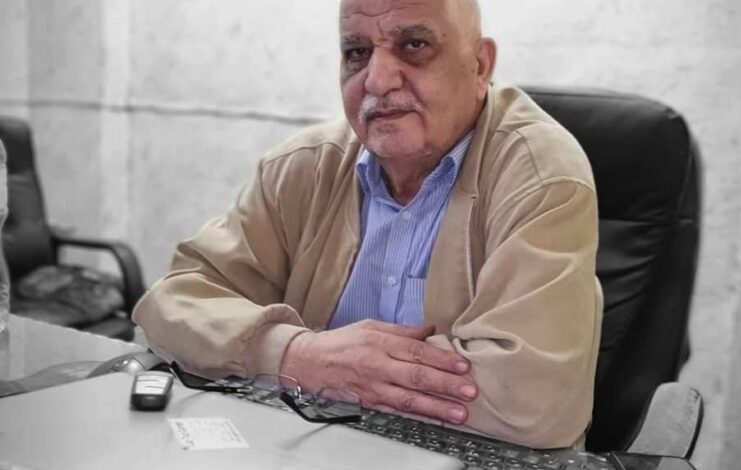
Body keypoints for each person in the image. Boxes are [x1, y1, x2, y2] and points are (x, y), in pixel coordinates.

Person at [134, 0, 602, 449]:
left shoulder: (543, 176)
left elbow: (531, 404)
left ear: (480, 66)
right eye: (357, 52)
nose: (377, 80)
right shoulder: (303, 167)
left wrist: (337, 375)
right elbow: (171, 305)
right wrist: (296, 356)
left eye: (414, 45)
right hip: (309, 447)